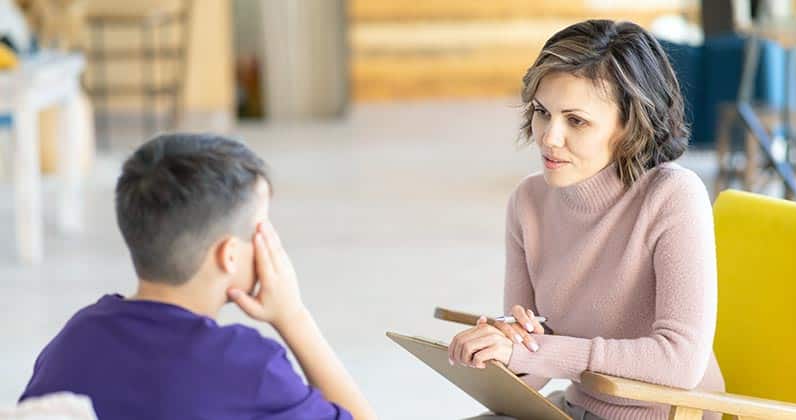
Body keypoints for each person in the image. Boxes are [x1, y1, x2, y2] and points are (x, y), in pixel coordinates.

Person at [448, 20, 725, 420]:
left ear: (631, 125)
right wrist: (503, 352)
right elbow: (534, 373)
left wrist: (543, 351)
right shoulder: (528, 201)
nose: (549, 137)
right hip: (577, 409)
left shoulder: (673, 196)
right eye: (542, 113)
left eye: (575, 120)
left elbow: (678, 362)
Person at [20, 133, 376, 420]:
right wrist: (294, 317)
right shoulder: (248, 368)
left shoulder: (73, 340)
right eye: (261, 228)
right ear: (229, 255)